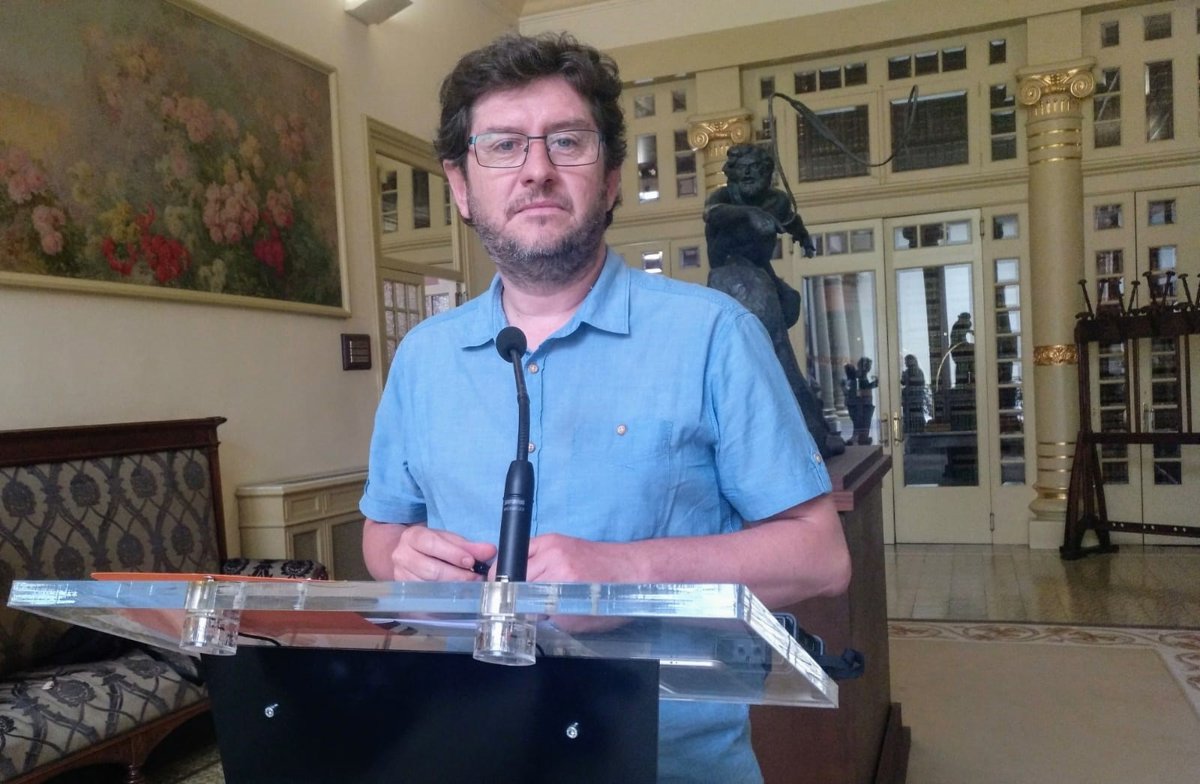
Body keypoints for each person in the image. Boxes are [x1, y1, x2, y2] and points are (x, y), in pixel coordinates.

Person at [359, 32, 850, 784]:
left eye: (567, 141)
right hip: (472, 747)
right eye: (504, 145)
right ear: (460, 185)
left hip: (670, 762)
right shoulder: (423, 357)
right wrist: (403, 562)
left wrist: (623, 574)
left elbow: (820, 556)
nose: (537, 169)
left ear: (612, 177)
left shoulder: (714, 334)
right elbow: (383, 534)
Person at [702, 144, 842, 457]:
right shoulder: (723, 198)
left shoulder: (776, 200)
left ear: (768, 174)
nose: (749, 173)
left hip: (758, 272)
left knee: (789, 305)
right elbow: (711, 213)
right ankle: (810, 435)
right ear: (732, 173)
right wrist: (751, 215)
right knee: (777, 356)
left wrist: (803, 237)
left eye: (757, 168)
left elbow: (791, 220)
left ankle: (805, 432)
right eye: (743, 168)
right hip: (732, 277)